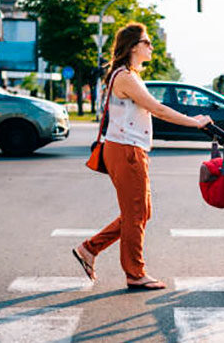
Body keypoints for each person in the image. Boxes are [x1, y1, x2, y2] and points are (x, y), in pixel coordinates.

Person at [72, 22, 212, 290]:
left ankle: (89, 249)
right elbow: (157, 109)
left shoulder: (129, 75)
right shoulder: (125, 77)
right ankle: (135, 273)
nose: (151, 46)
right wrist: (195, 122)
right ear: (134, 47)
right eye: (147, 42)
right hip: (126, 151)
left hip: (127, 149)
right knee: (136, 213)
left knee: (140, 212)